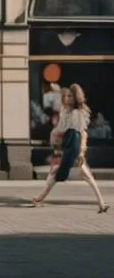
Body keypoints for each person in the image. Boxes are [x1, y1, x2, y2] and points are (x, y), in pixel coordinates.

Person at [31, 84, 109, 212]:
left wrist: (81, 152)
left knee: (59, 173)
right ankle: (101, 204)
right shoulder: (64, 111)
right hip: (67, 145)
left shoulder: (76, 113)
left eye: (70, 96)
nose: (68, 98)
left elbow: (81, 133)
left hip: (73, 145)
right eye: (66, 96)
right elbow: (62, 130)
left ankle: (39, 198)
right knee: (82, 175)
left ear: (75, 97)